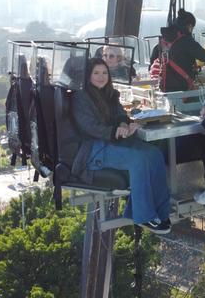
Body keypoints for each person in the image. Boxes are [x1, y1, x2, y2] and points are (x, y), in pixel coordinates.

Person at [71, 58, 171, 234]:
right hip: (94, 148)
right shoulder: (81, 97)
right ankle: (144, 216)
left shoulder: (110, 94)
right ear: (88, 76)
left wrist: (125, 124)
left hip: (112, 141)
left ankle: (161, 211)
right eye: (96, 73)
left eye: (104, 73)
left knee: (154, 154)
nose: (101, 77)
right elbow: (88, 126)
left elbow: (120, 114)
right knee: (138, 160)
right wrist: (113, 132)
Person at [150, 9, 205, 92]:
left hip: (164, 88)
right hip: (182, 90)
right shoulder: (186, 41)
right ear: (189, 26)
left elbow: (153, 59)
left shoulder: (164, 40)